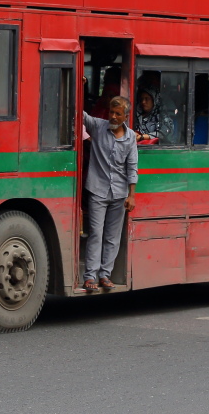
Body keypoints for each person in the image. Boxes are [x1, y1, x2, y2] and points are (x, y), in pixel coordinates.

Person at [81, 97, 138, 291]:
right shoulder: (98, 126)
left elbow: (132, 167)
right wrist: (79, 86)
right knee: (96, 234)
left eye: (117, 114)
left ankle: (105, 274)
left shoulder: (130, 137)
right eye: (111, 112)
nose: (113, 117)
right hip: (97, 190)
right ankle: (90, 276)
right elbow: (79, 114)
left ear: (126, 116)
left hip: (120, 193)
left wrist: (132, 195)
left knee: (112, 237)